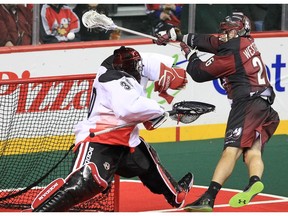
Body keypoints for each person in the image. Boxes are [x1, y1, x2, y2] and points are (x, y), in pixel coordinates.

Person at [30, 46, 193, 212]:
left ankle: (175, 193)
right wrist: (159, 110)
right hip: (100, 140)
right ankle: (42, 211)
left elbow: (144, 65)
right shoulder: (112, 78)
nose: (139, 67)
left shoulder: (124, 68)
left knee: (148, 163)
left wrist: (170, 75)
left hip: (126, 142)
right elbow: (128, 109)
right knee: (86, 181)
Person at [154, 12, 280, 211]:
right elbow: (211, 41)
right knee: (251, 152)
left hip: (247, 104)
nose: (224, 34)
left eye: (228, 31)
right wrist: (178, 37)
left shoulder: (231, 52)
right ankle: (254, 180)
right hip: (265, 107)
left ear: (238, 31)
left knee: (230, 151)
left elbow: (199, 72)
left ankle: (209, 198)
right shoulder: (245, 42)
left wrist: (189, 54)